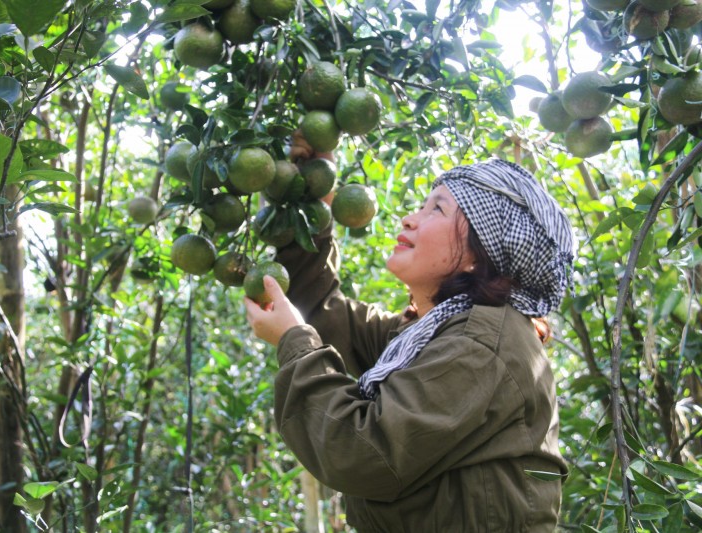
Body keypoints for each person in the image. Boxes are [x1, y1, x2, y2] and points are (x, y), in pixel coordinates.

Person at [244, 150, 574, 531]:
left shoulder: (479, 344)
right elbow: (318, 308)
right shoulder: (429, 334)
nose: (409, 219)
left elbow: (362, 452)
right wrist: (311, 189)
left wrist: (293, 339)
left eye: (437, 210)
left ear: (481, 252)